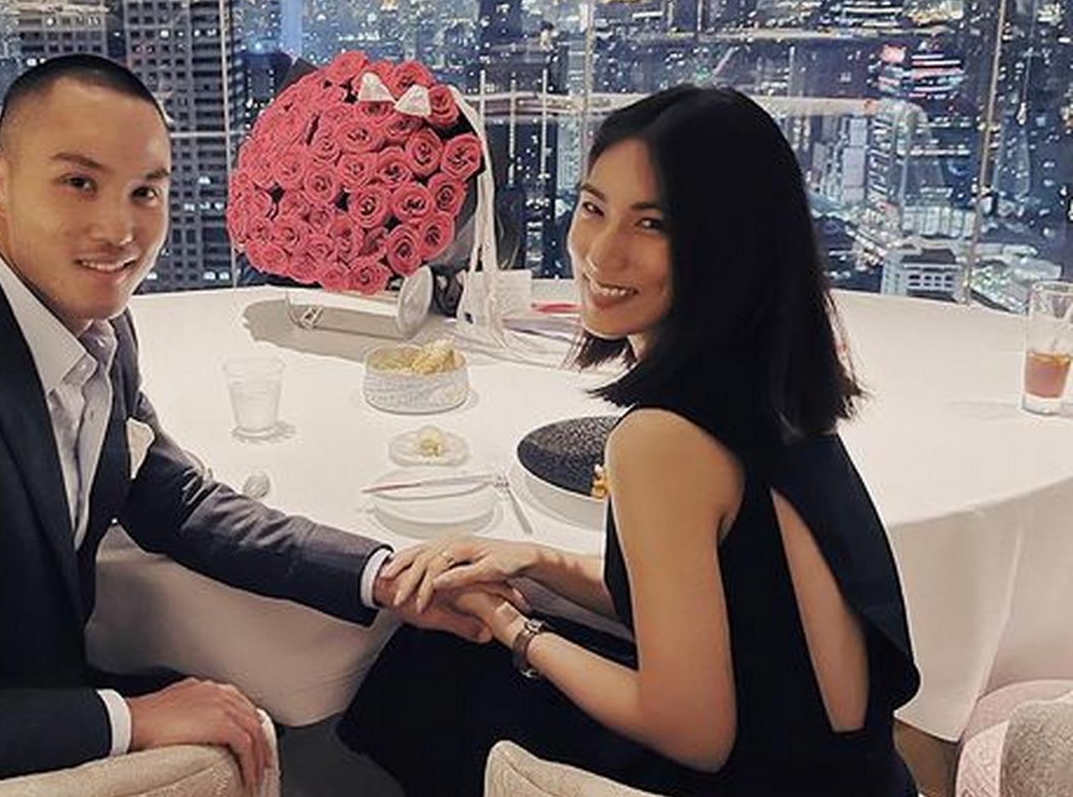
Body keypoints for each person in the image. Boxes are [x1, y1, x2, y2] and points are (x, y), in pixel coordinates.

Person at [0, 54, 500, 797]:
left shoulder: (95, 327)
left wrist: (382, 575)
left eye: (145, 192)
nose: (119, 230)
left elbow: (176, 500)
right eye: (79, 182)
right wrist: (125, 720)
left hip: (37, 689)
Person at [338, 86, 921, 796]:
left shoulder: (661, 442)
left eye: (652, 224)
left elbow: (694, 733)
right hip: (858, 775)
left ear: (730, 247)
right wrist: (540, 560)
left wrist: (511, 625)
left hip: (758, 779)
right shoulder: (775, 387)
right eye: (593, 208)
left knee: (431, 666)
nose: (600, 252)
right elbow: (733, 606)